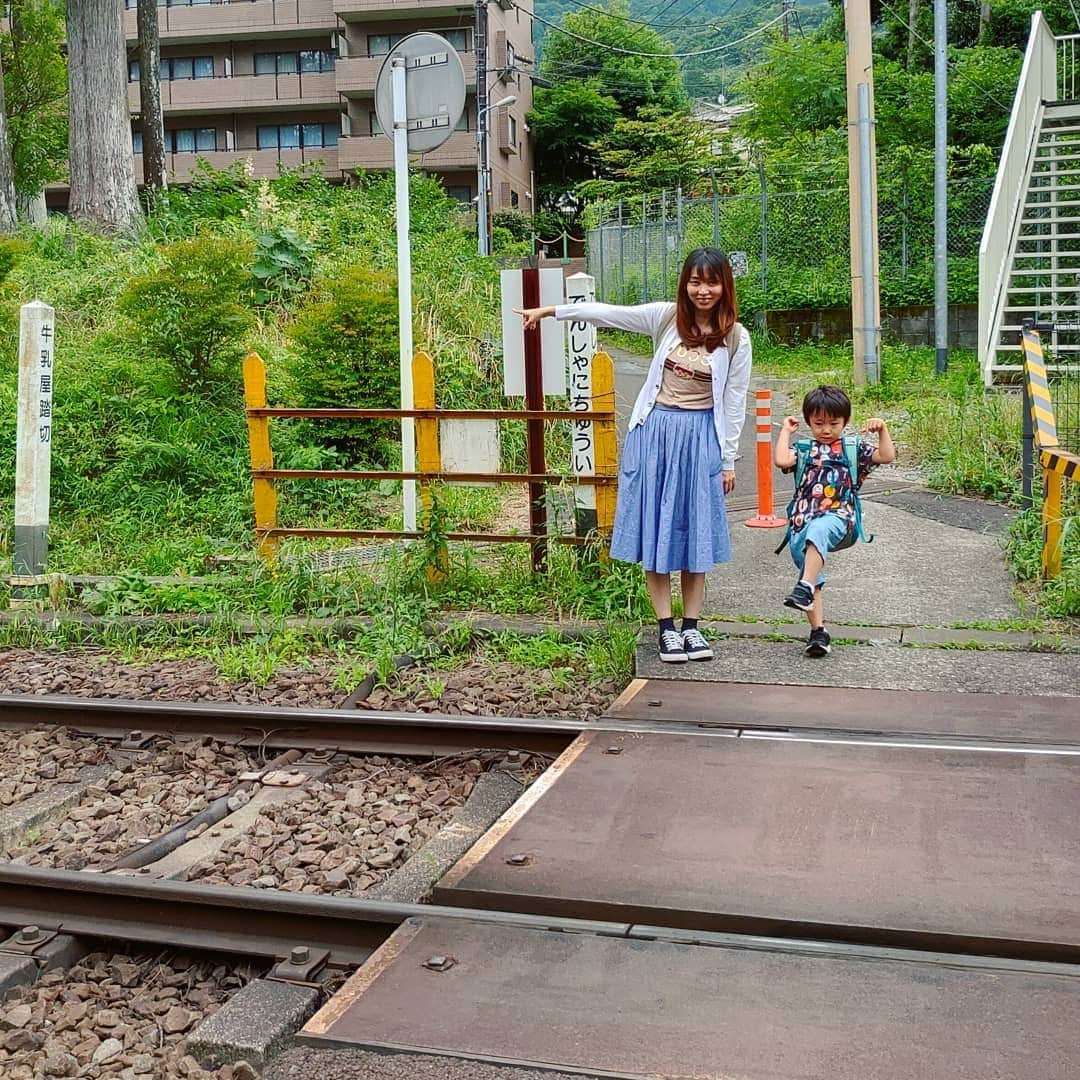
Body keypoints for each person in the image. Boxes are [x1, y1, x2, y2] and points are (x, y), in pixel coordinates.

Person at [516, 248, 752, 663]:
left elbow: (734, 402)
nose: (702, 290)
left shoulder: (736, 338)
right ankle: (666, 628)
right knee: (655, 530)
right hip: (655, 433)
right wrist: (550, 311)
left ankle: (692, 628)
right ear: (685, 284)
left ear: (724, 286)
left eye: (711, 282)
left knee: (694, 532)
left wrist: (728, 459)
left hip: (700, 439)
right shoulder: (664, 318)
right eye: (695, 281)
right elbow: (607, 313)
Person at [773, 385, 896, 657]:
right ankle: (819, 632)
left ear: (846, 421)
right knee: (811, 573)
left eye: (833, 423)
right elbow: (781, 459)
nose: (826, 430)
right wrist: (785, 431)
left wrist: (883, 430)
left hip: (840, 518)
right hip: (801, 522)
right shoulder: (805, 449)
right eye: (818, 424)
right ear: (808, 422)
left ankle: (804, 587)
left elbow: (886, 456)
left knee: (818, 532)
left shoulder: (853, 449)